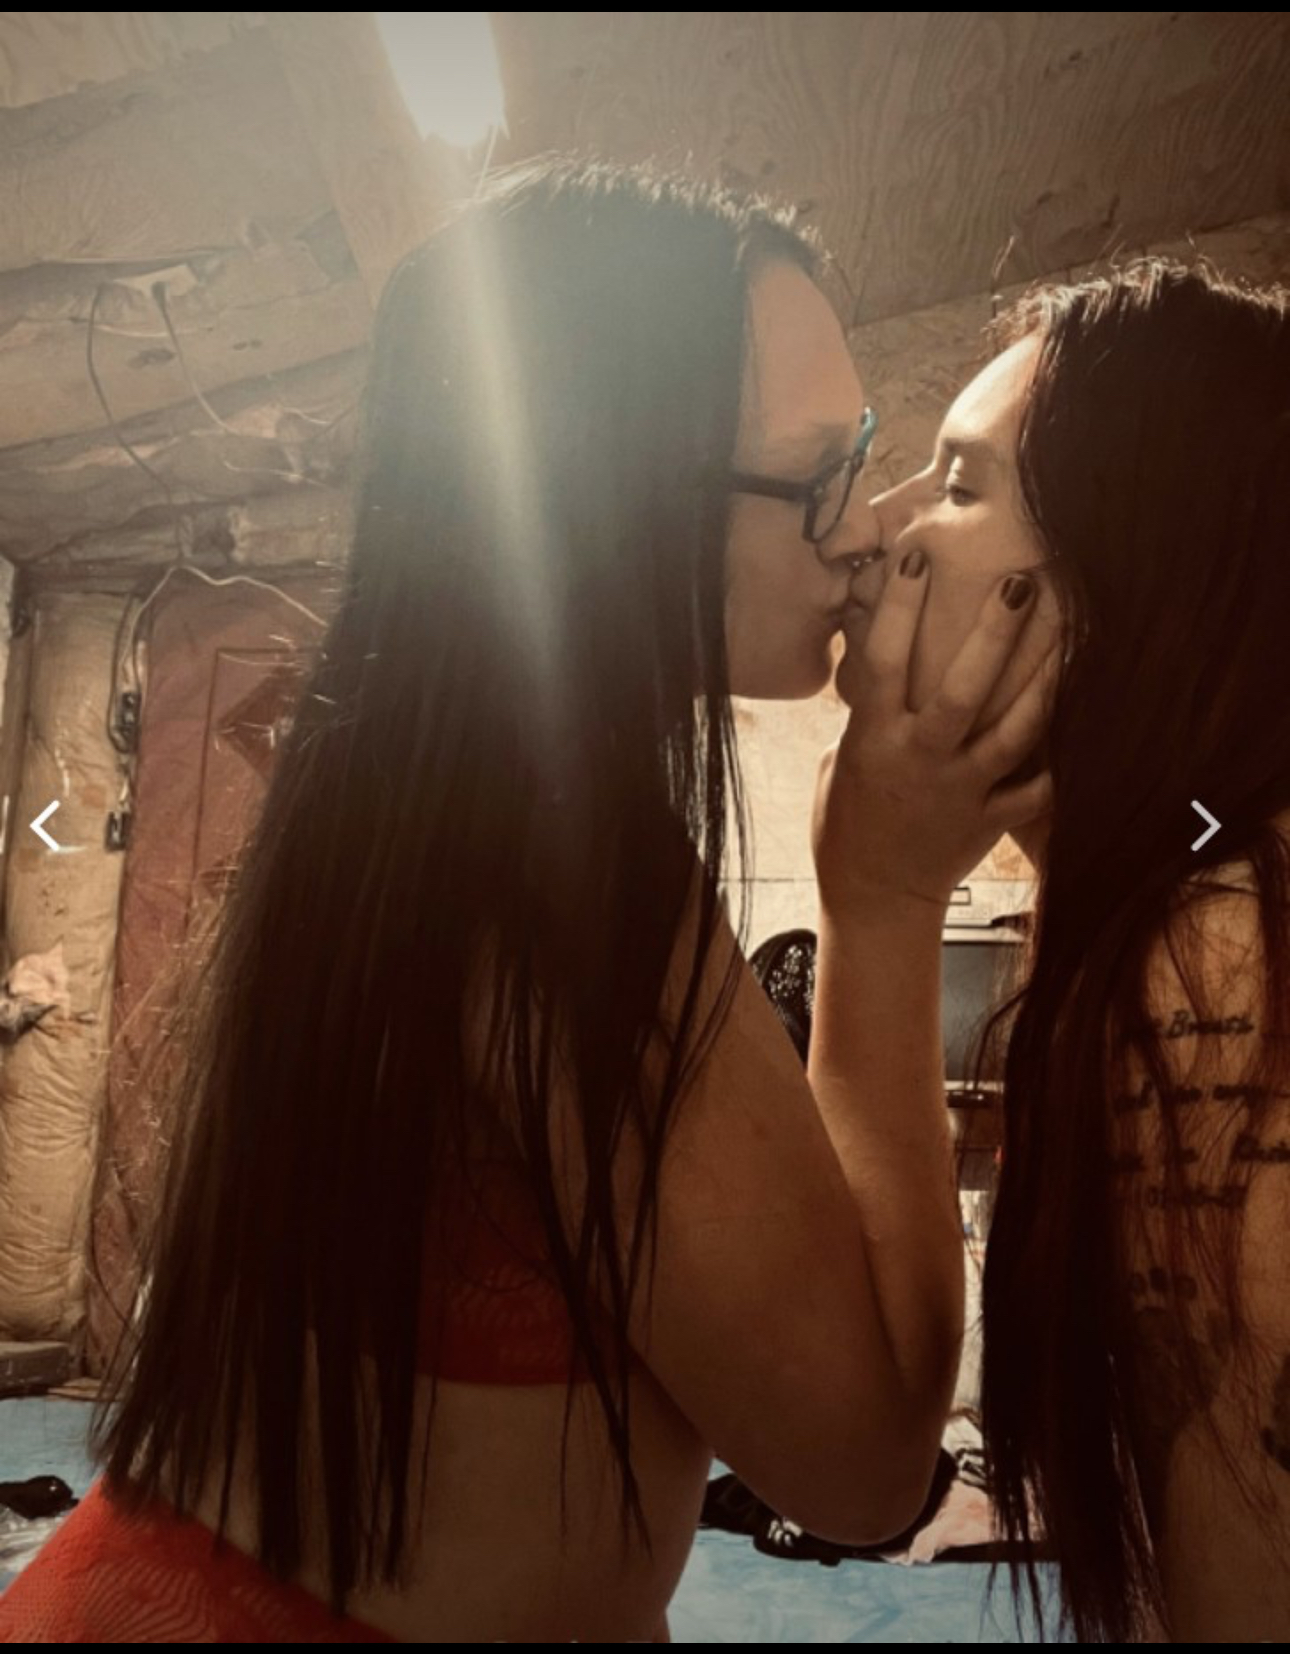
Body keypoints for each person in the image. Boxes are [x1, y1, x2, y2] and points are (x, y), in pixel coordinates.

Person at [0, 156, 1053, 1642]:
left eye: (872, 455)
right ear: (616, 498)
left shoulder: (418, 789)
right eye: (818, 471)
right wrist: (882, 898)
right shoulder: (561, 880)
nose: (867, 525)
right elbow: (868, 1468)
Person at [850, 257, 1290, 1642]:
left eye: (958, 483)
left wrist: (874, 892)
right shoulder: (1191, 895)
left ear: (1125, 578)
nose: (876, 530)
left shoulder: (1218, 950)